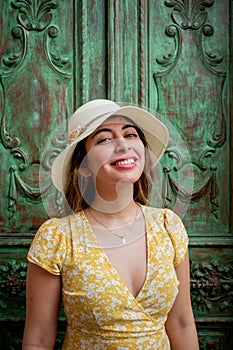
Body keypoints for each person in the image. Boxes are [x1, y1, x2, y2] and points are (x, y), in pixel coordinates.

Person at [22, 99, 199, 349]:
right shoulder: (57, 238)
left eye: (131, 134)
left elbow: (181, 323)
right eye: (104, 139)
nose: (123, 144)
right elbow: (38, 341)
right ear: (82, 167)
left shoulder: (169, 227)